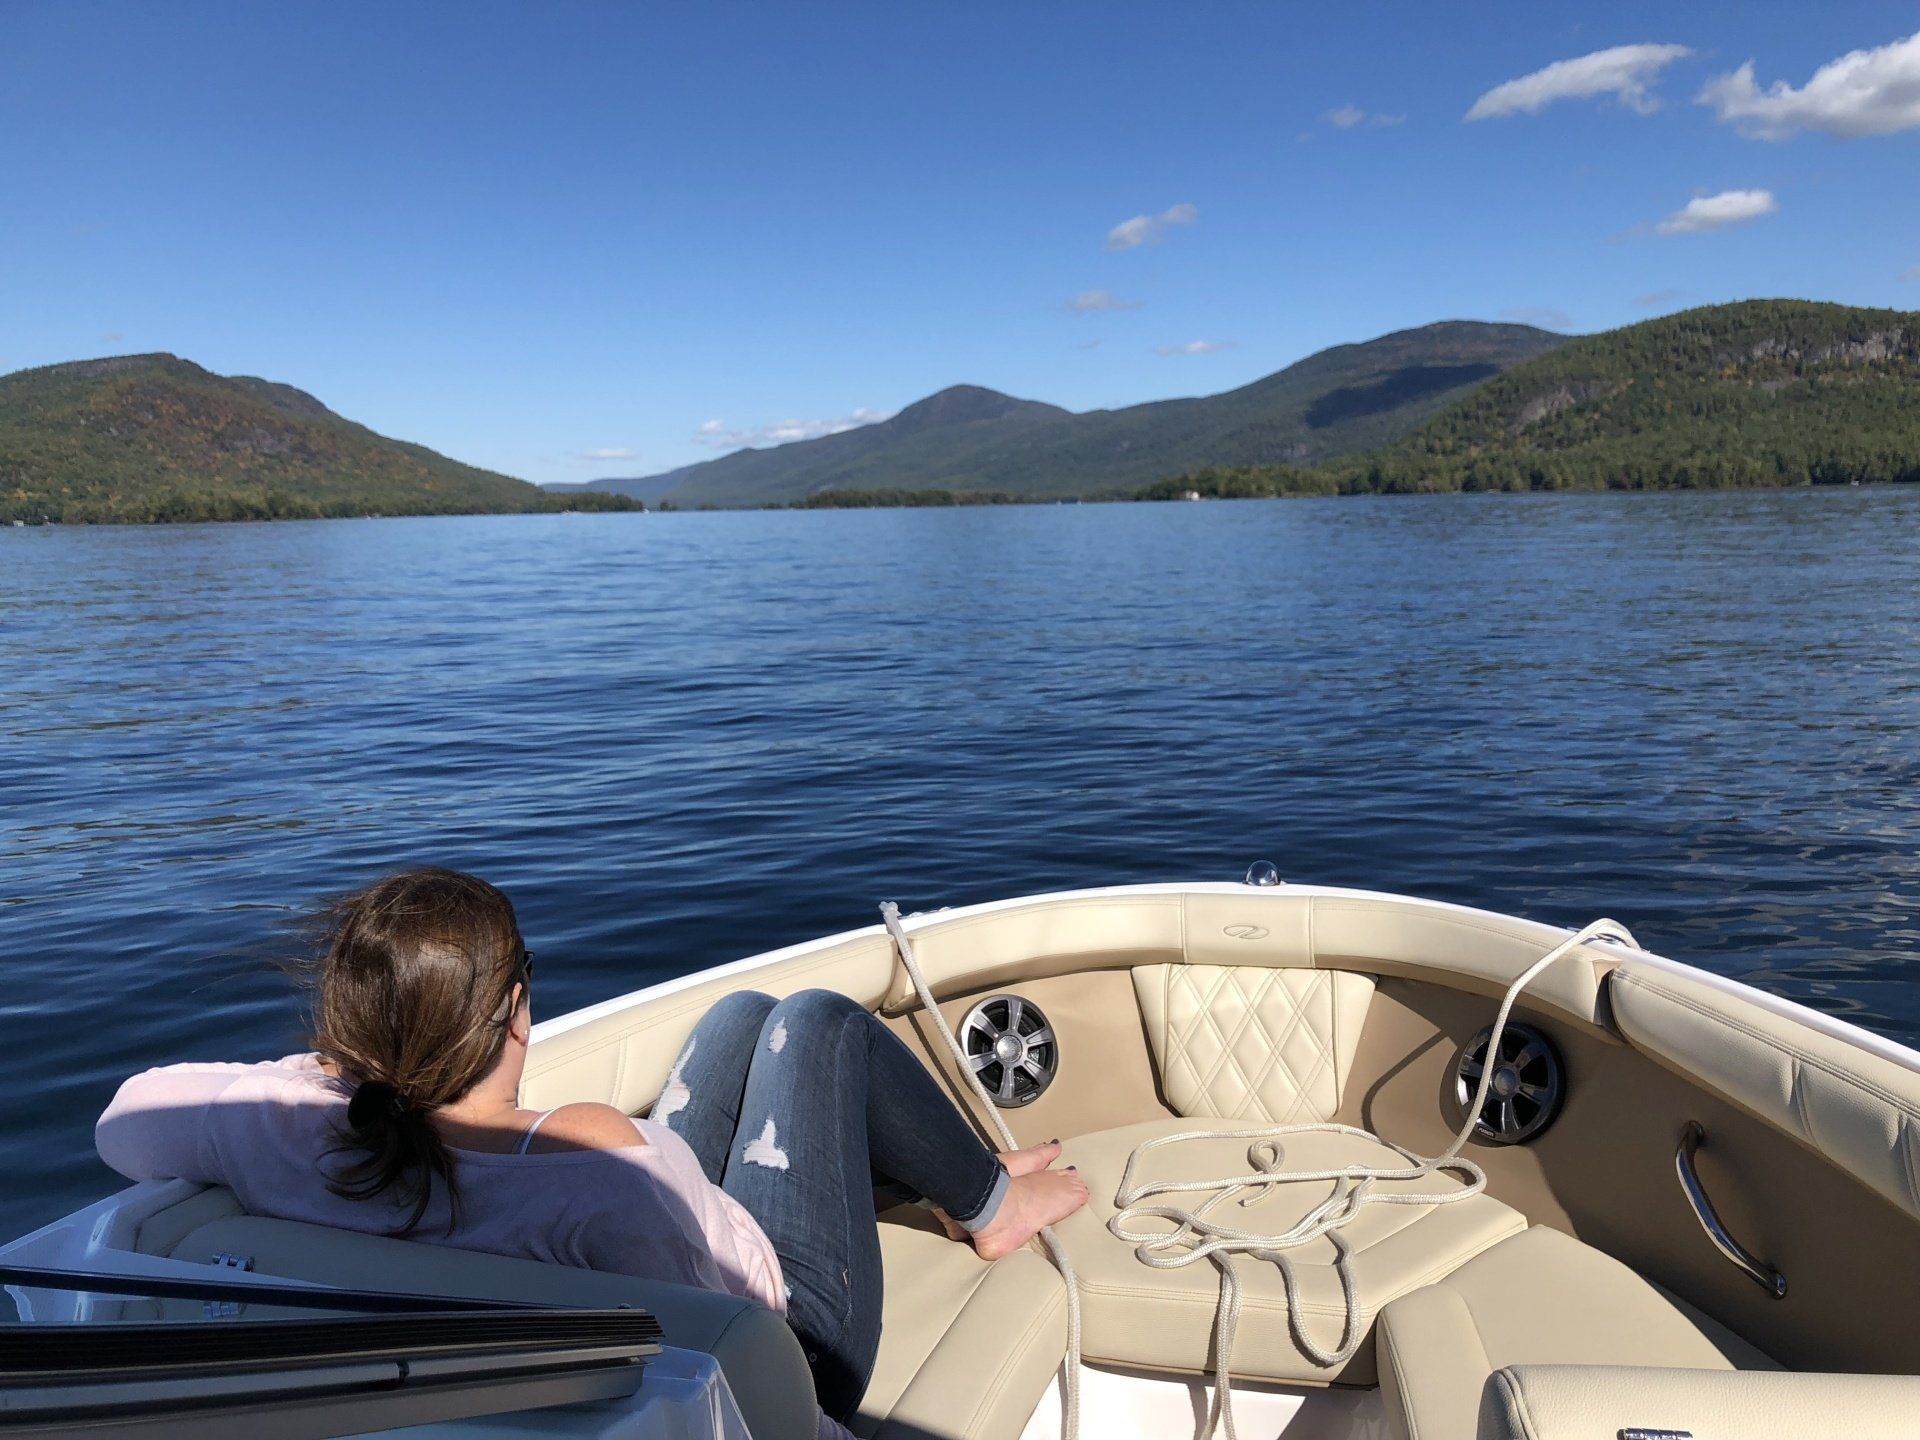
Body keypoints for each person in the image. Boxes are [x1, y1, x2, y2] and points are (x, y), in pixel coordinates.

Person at [95, 867, 1088, 1436]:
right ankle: (991, 1208)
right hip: (801, 1336)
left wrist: (317, 1080)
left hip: (624, 1231)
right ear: (516, 1009)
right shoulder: (600, 1169)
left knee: (741, 1014)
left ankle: (939, 1174)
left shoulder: (284, 1130)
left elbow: (124, 1119)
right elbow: (727, 1338)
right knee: (814, 1022)